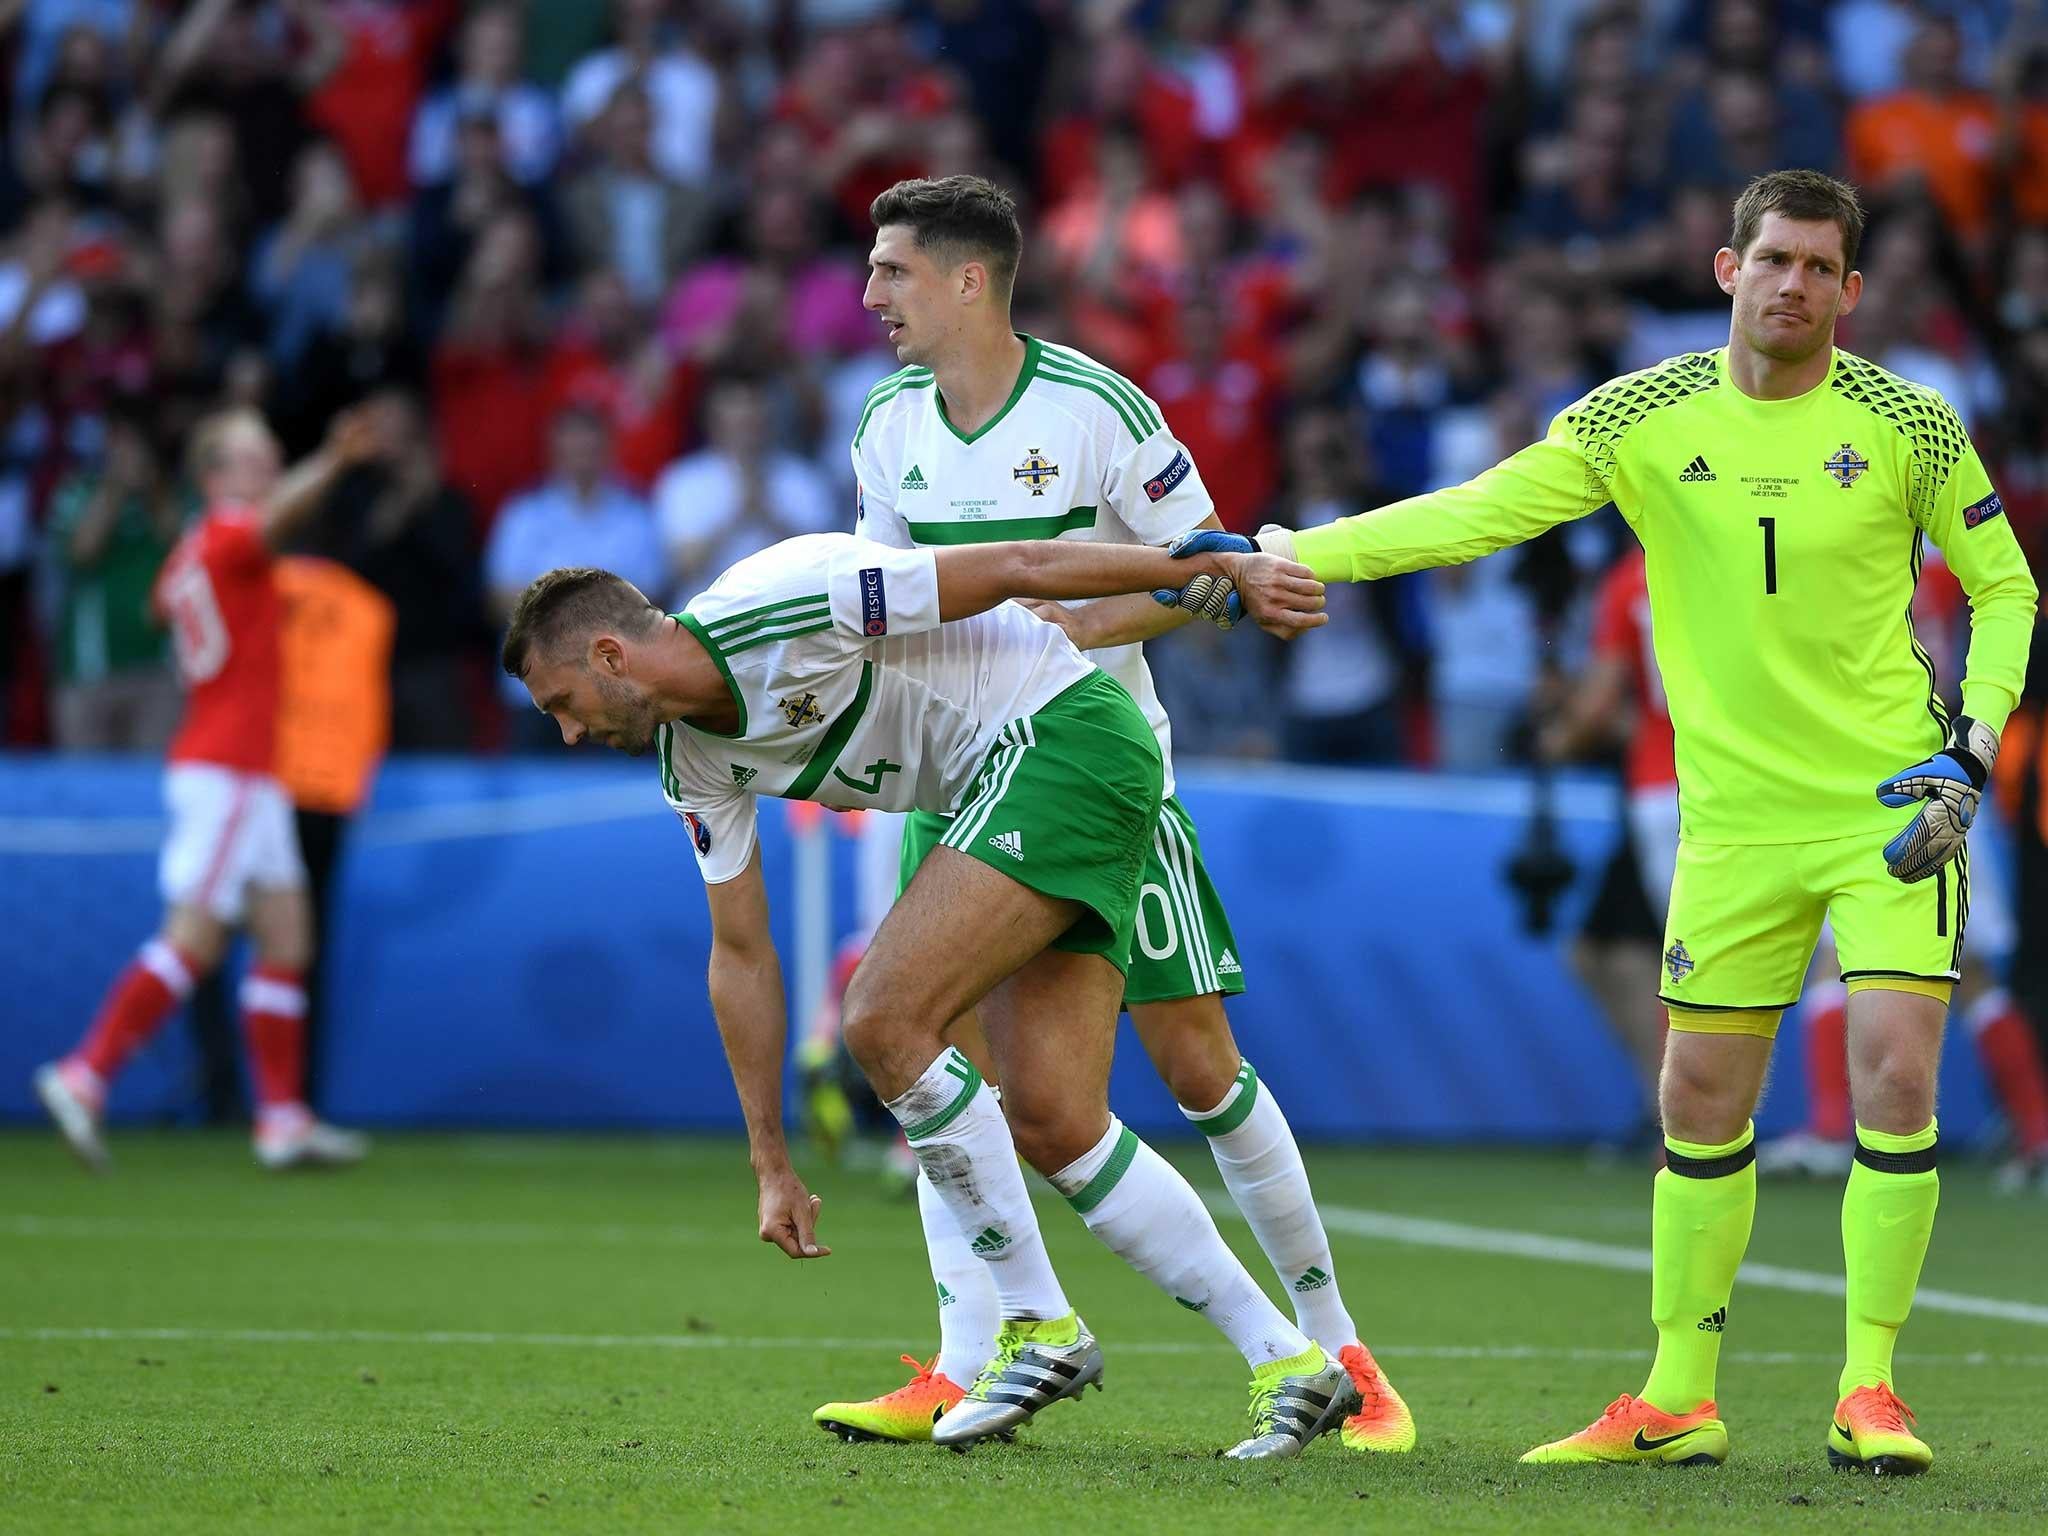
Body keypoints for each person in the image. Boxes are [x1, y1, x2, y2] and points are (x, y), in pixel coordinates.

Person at [1206, 169, 2038, 1473]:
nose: (1794, 286)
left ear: (1852, 291)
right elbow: (1480, 512)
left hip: (1891, 805)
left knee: (1896, 1071)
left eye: (1822, 269)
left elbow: (2006, 587)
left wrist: (1970, 754)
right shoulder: (1641, 415)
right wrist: (1309, 550)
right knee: (1698, 1100)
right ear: (1726, 269)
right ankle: (1677, 1397)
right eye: (1775, 260)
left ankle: (1871, 1391)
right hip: (1728, 822)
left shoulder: (1910, 425)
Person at [499, 533, 1355, 1459]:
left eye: (563, 704)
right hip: (997, 792)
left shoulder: (786, 599)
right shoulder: (692, 765)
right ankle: (1290, 1361)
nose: (570, 733)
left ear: (610, 656)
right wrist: (770, 1161)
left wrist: (1197, 566)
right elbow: (740, 954)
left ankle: (1039, 1329)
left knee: (884, 1017)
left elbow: (1018, 566)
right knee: (1055, 1118)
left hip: (1062, 737)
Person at [826, 174, 1414, 1455]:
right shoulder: (883, 424)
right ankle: (969, 1354)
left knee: (1195, 1062)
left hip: (1093, 771)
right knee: (937, 1052)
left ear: (968, 279)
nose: (868, 293)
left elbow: (1213, 571)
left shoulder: (1098, 409)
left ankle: (1341, 1351)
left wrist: (1090, 619)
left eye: (892, 271)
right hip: (953, 771)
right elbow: (883, 596)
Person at [34, 407, 379, 1172]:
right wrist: (330, 459)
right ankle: (84, 1073)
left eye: (271, 455)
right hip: (226, 770)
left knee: (288, 933)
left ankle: (282, 1121)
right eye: (250, 459)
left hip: (246, 772)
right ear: (213, 475)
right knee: (194, 937)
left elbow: (168, 605)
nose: (266, 469)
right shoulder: (228, 532)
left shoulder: (192, 548)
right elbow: (268, 526)